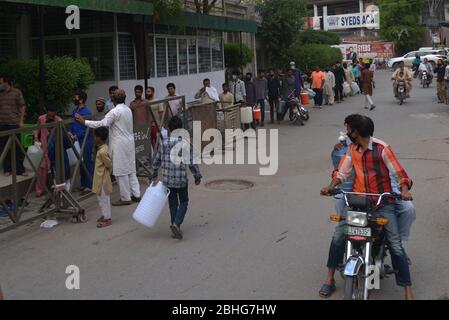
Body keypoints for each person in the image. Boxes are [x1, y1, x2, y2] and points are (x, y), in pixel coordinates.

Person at [319, 114, 414, 300]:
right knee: (339, 235)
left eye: (349, 130)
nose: (347, 133)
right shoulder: (351, 149)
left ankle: (408, 291)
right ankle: (329, 279)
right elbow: (342, 172)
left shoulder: (382, 149)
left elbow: (400, 173)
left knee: (395, 244)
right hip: (358, 201)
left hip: (382, 203)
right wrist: (330, 187)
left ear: (357, 132)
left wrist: (404, 190)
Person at [75, 88, 141, 206]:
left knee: (121, 171)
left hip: (119, 143)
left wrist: (84, 122)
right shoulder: (127, 109)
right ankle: (136, 194)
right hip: (129, 142)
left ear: (113, 99)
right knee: (131, 170)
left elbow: (102, 124)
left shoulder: (114, 111)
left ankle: (125, 198)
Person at [150, 116, 202, 240]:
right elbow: (191, 162)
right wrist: (197, 175)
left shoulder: (164, 143)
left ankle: (174, 226)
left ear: (169, 128)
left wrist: (153, 174)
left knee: (173, 203)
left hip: (167, 180)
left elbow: (156, 160)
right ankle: (176, 224)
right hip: (181, 180)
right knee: (184, 201)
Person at [0, 75, 27, 177]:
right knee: (3, 147)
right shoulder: (1, 94)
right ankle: (7, 168)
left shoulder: (16, 92)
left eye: (1, 82)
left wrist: (21, 121)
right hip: (2, 123)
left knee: (17, 147)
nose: (0, 85)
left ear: (7, 83)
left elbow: (22, 106)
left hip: (14, 123)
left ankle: (20, 169)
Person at [33, 103, 62, 197]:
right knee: (42, 168)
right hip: (44, 146)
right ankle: (40, 189)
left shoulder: (58, 120)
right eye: (50, 112)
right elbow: (37, 129)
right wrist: (36, 138)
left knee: (55, 167)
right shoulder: (41, 118)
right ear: (47, 111)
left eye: (53, 113)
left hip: (54, 146)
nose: (51, 114)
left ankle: (57, 188)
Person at [68, 91, 93, 193]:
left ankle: (89, 184)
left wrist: (76, 135)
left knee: (87, 161)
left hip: (85, 139)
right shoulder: (75, 111)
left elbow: (87, 128)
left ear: (81, 100)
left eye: (76, 97)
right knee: (81, 162)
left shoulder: (86, 112)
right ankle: (83, 184)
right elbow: (72, 123)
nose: (74, 99)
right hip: (77, 140)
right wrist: (69, 132)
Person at [92, 127, 113, 228]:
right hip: (99, 178)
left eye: (95, 136)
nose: (94, 138)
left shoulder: (102, 151)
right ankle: (105, 215)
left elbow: (109, 164)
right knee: (100, 198)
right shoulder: (102, 149)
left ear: (99, 138)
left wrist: (106, 172)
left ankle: (107, 218)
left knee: (104, 199)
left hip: (103, 179)